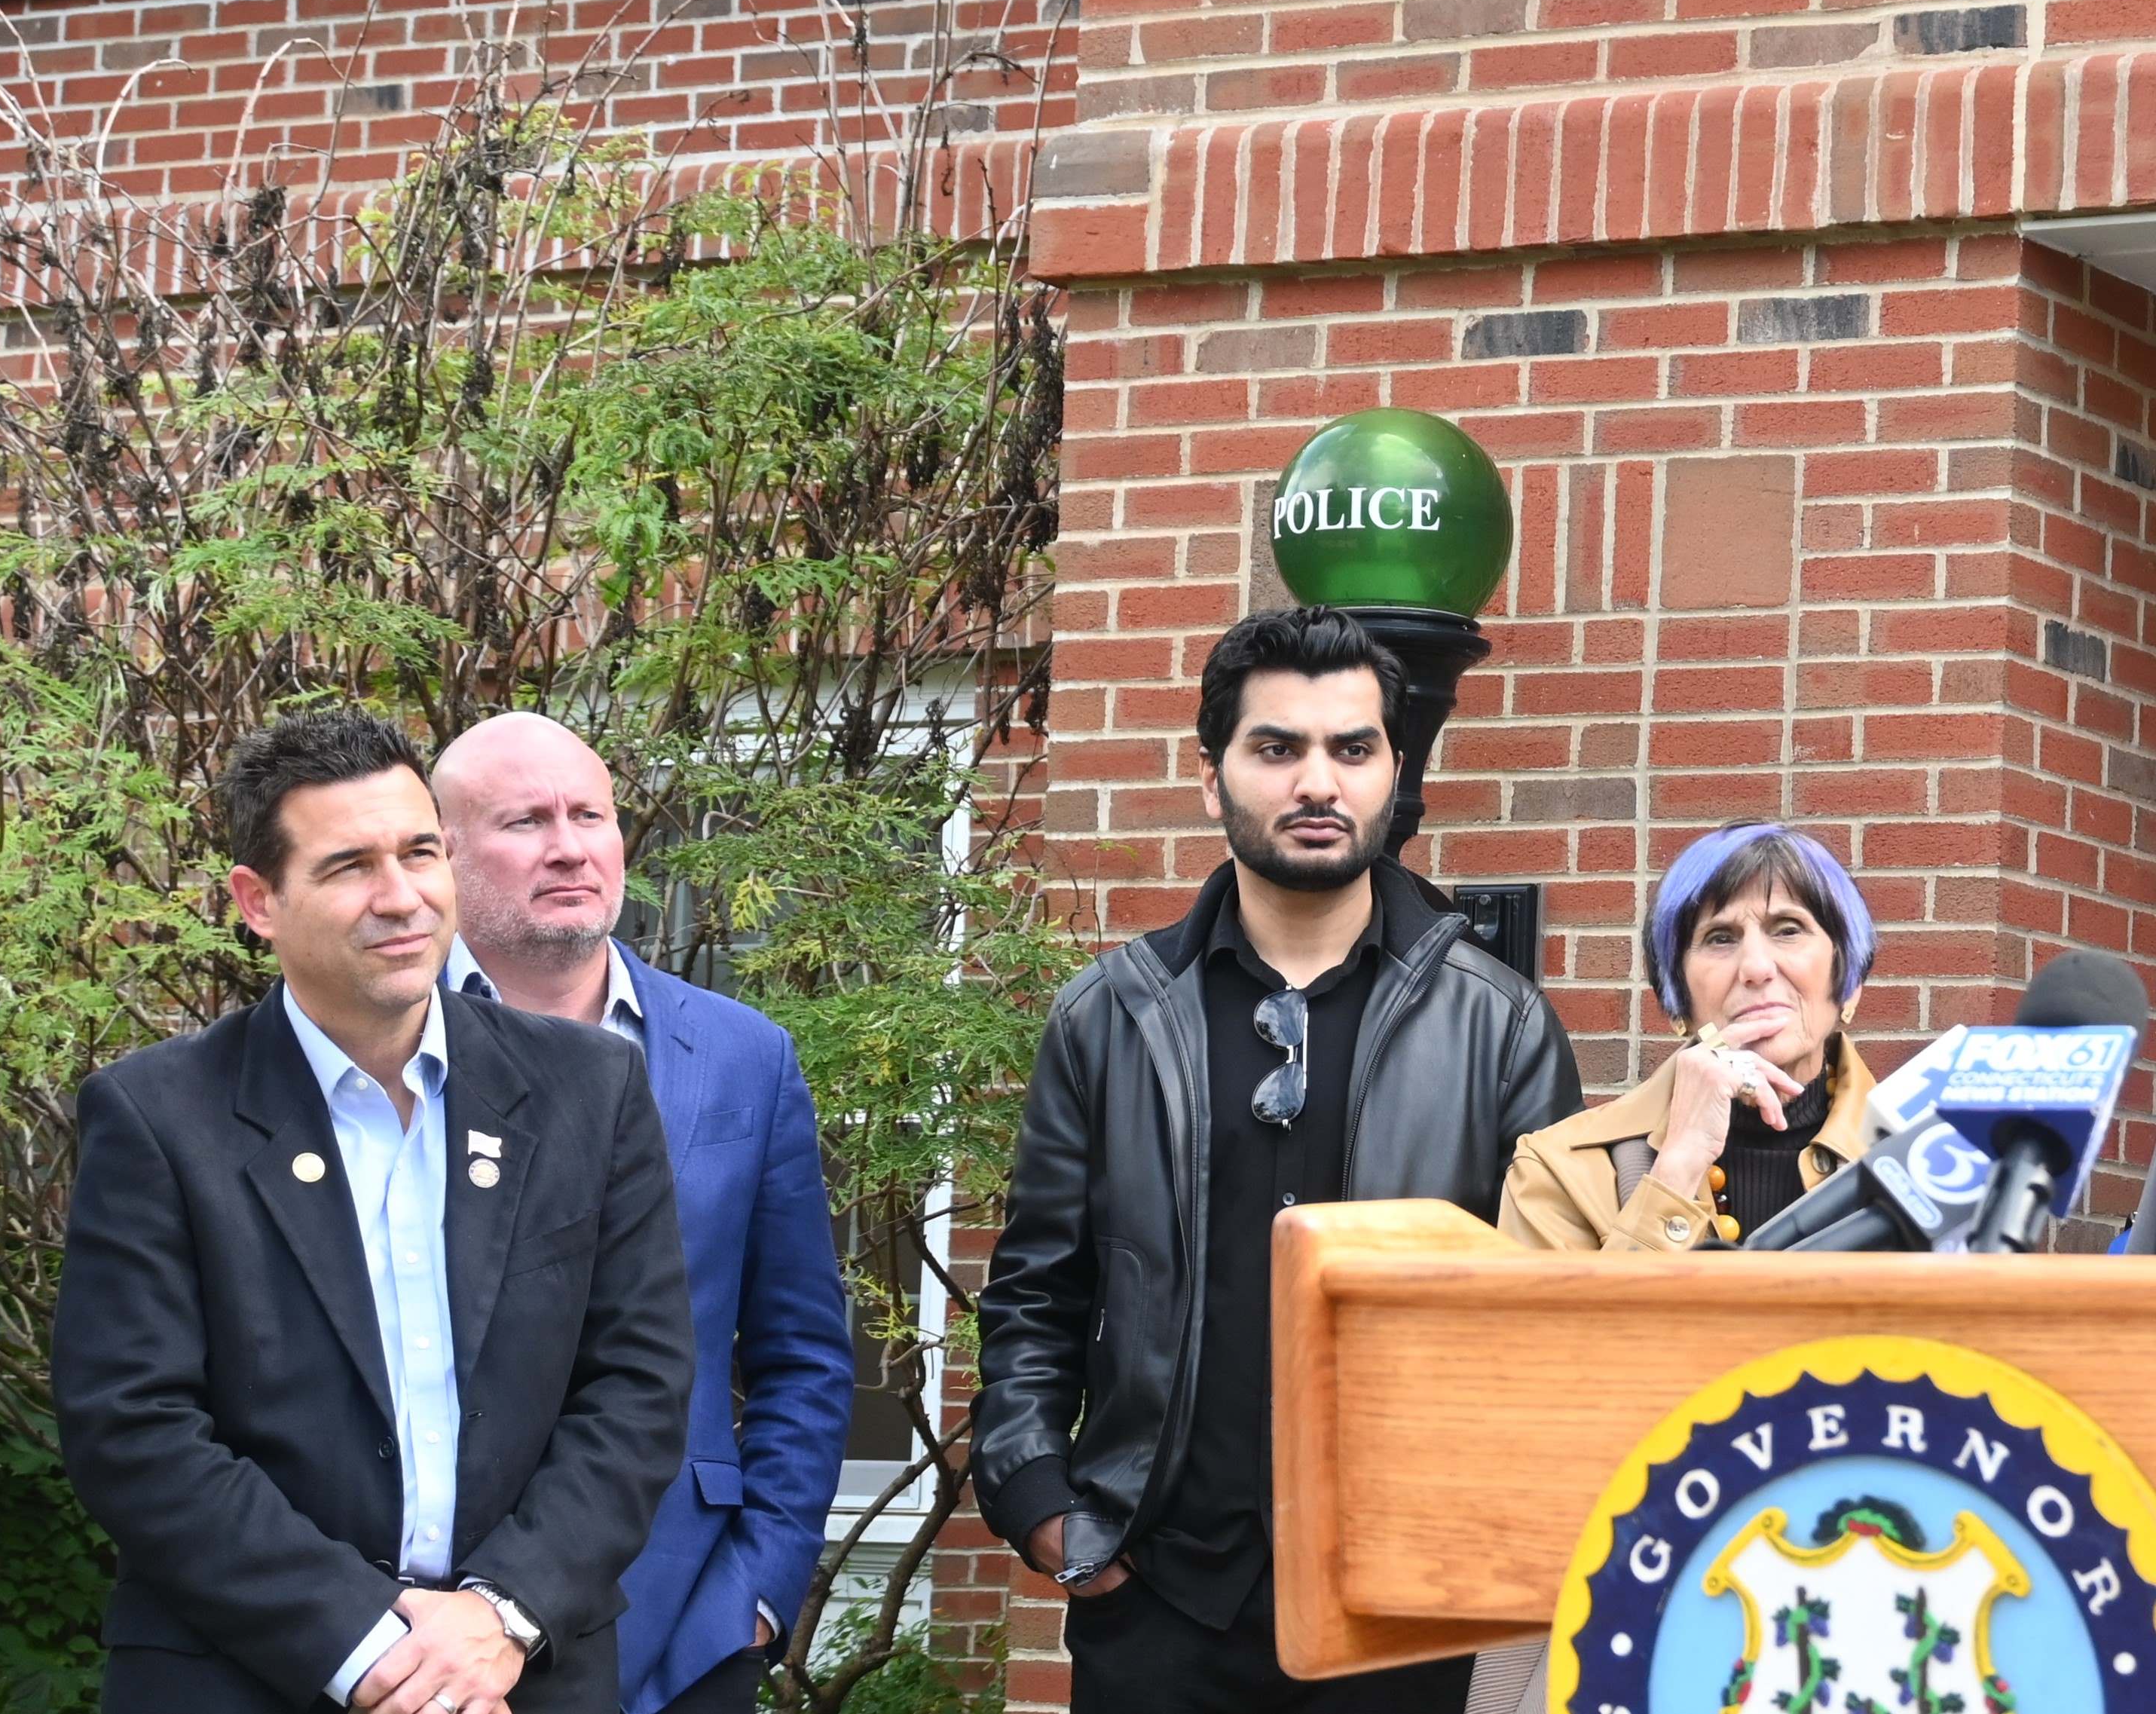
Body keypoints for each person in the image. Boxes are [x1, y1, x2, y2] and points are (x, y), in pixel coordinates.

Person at [970, 606, 1583, 1714]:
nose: (1317, 781)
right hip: (1158, 1607)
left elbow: (1545, 1328)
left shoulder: (1499, 1025)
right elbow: (1035, 1296)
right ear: (1213, 778)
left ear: (1394, 770)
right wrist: (1044, 1507)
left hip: (1403, 1617)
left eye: (1352, 747)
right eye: (1276, 747)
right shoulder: (1109, 1017)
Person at [52, 709, 693, 1714]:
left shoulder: (589, 1088)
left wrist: (501, 1614)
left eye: (420, 852)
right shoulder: (159, 1117)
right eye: (350, 865)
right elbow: (133, 1428)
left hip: (519, 1675)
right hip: (248, 1675)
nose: (401, 897)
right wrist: (370, 1649)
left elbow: (639, 1385)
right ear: (258, 901)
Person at [433, 712, 853, 1714]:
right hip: (435, 1623)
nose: (570, 846)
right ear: (441, 852)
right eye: (526, 820)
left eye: (591, 815)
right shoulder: (384, 1050)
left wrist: (757, 1589)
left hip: (681, 1619)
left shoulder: (745, 1056)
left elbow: (802, 1352)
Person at [1498, 821, 1879, 1252]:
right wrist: (1675, 1170)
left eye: (1788, 930)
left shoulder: (1926, 1148)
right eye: (1720, 938)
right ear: (1678, 1000)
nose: (1756, 968)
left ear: (1849, 982)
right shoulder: (1556, 1170)